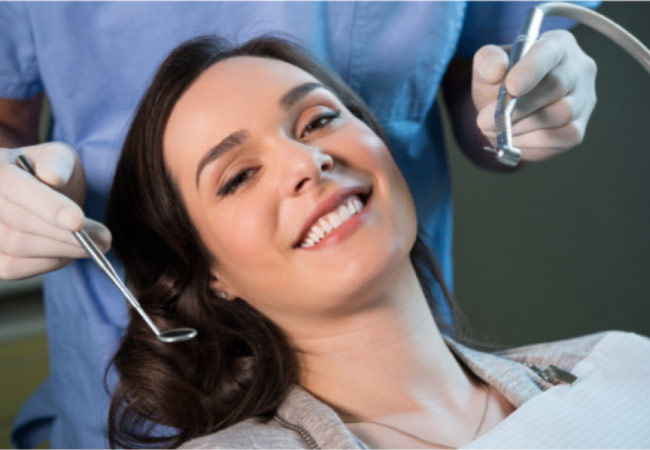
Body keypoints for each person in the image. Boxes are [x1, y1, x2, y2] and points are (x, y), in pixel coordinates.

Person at [0, 3, 599, 448]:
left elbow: (490, 80)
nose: (307, 161)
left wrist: (524, 104)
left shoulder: (616, 370)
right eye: (237, 177)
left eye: (318, 121)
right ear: (209, 275)